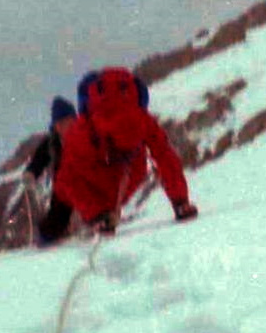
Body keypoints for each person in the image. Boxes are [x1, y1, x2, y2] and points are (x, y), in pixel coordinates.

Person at [34, 66, 198, 244]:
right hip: (130, 174)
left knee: (63, 191)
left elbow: (67, 180)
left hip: (93, 180)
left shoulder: (80, 130)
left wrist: (95, 215)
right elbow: (165, 157)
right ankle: (101, 217)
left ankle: (48, 235)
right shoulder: (143, 117)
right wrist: (180, 202)